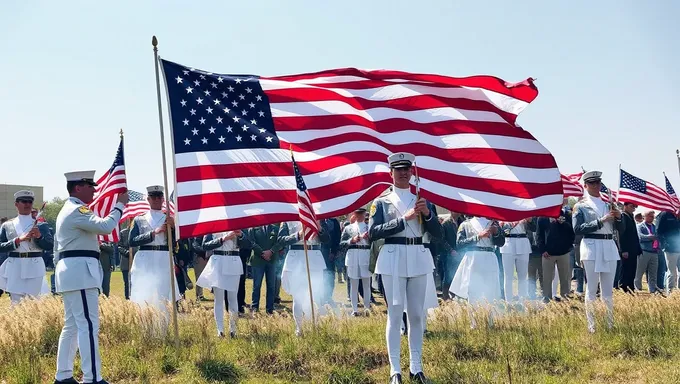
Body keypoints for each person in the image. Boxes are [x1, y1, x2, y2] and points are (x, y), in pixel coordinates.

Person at [368, 152, 442, 384]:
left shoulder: (423, 200)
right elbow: (373, 232)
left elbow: (438, 235)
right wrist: (404, 219)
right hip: (393, 256)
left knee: (418, 315)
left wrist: (428, 215)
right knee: (395, 312)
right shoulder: (381, 202)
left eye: (407, 169)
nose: (403, 173)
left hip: (418, 256)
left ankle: (416, 368)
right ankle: (395, 370)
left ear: (412, 171)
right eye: (398, 169)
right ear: (391, 173)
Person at [53, 170, 128, 384]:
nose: (95, 190)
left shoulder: (69, 209)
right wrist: (120, 205)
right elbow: (105, 226)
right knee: (87, 325)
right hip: (80, 272)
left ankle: (64, 376)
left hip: (72, 272)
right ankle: (92, 378)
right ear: (78, 188)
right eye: (90, 186)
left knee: (72, 326)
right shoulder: (78, 210)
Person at [572, 170, 623, 333]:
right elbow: (577, 229)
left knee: (608, 290)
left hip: (609, 245)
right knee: (591, 288)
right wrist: (600, 221)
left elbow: (621, 229)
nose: (596, 186)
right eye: (592, 183)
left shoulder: (609, 204)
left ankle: (609, 324)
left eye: (598, 183)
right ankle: (592, 325)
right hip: (591, 245)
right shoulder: (580, 206)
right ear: (585, 186)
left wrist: (619, 217)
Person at [128, 186, 180, 318]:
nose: (157, 200)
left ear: (163, 199)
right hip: (145, 257)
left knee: (164, 294)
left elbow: (175, 244)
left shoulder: (169, 218)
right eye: (153, 197)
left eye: (159, 197)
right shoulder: (139, 219)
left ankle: (163, 328)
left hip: (163, 256)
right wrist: (153, 233)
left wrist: (173, 229)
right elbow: (131, 241)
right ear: (148, 199)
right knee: (145, 293)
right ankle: (146, 326)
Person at [0, 190, 54, 305]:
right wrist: (17, 240)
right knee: (16, 304)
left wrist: (39, 237)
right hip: (15, 265)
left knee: (34, 303)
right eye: (24, 201)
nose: (27, 204)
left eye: (30, 201)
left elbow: (50, 245)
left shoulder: (41, 225)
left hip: (34, 264)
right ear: (16, 204)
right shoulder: (7, 225)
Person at [278, 220, 329, 336]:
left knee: (315, 295)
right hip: (296, 257)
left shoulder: (317, 215)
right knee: (297, 297)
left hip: (314, 256)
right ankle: (299, 328)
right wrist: (298, 235)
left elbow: (327, 239)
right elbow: (280, 240)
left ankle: (313, 327)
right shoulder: (288, 218)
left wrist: (320, 228)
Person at [199, 229, 250, 338]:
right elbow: (204, 245)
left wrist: (240, 235)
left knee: (233, 298)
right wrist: (223, 239)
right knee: (219, 298)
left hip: (234, 260)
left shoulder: (238, 223)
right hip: (218, 261)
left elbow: (248, 243)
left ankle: (233, 330)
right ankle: (220, 330)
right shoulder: (214, 222)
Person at [537, 201, 575, 301]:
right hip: (548, 254)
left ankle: (565, 299)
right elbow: (539, 235)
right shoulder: (543, 217)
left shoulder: (567, 215)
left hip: (564, 252)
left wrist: (563, 223)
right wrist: (542, 250)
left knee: (565, 278)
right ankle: (547, 299)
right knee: (547, 278)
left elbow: (572, 232)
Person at [340, 208, 372, 315]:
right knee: (354, 284)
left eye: (361, 213)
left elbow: (375, 242)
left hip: (365, 254)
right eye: (357, 213)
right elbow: (342, 243)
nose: (359, 216)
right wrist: (352, 240)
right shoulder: (348, 228)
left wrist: (369, 237)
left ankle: (367, 308)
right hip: (353, 255)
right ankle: (355, 310)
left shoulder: (369, 228)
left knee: (366, 284)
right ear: (354, 214)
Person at [249, 223, 283, 314]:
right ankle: (255, 308)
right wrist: (262, 253)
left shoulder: (276, 229)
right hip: (257, 260)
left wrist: (271, 251)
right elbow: (251, 242)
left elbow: (280, 242)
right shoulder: (253, 228)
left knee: (271, 285)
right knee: (256, 285)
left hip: (271, 261)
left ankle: (270, 309)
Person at [499, 217, 534, 301]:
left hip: (523, 243)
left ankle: (522, 301)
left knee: (523, 276)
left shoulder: (525, 210)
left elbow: (534, 228)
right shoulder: (503, 211)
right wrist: (512, 224)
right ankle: (509, 302)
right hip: (508, 243)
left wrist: (529, 221)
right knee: (508, 276)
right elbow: (502, 231)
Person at [617, 202, 641, 293]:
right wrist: (624, 250)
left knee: (632, 270)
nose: (634, 208)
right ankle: (623, 289)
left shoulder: (630, 216)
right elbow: (622, 234)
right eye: (632, 206)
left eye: (635, 206)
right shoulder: (623, 216)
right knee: (625, 270)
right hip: (626, 249)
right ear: (625, 206)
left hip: (633, 249)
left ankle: (631, 288)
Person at [656, 209, 680, 293]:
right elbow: (658, 231)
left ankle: (678, 292)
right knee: (672, 271)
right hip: (670, 248)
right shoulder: (664, 214)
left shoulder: (678, 214)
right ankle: (670, 292)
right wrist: (664, 244)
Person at [635, 210, 660, 293]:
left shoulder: (655, 226)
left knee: (653, 273)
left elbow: (658, 236)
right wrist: (650, 237)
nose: (652, 218)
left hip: (654, 252)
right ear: (644, 217)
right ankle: (638, 288)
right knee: (639, 272)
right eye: (650, 216)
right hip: (644, 251)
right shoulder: (640, 226)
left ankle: (653, 289)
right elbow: (640, 237)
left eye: (653, 216)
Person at [118, 225, 132, 300]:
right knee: (127, 283)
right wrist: (126, 252)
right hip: (125, 262)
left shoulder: (139, 231)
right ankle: (127, 299)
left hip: (136, 260)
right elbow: (119, 246)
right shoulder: (123, 233)